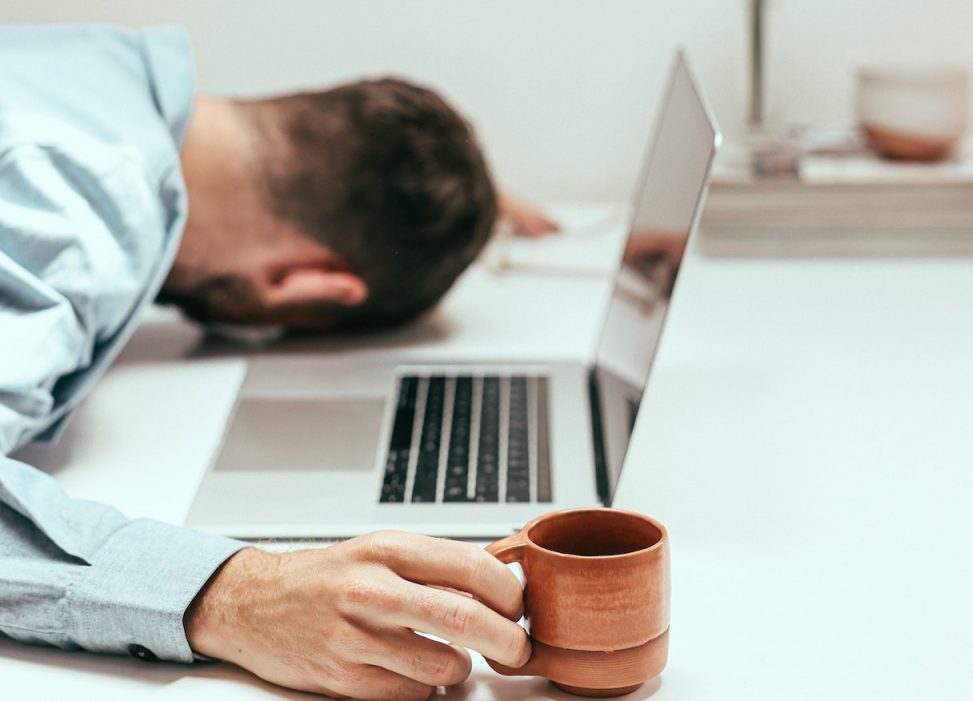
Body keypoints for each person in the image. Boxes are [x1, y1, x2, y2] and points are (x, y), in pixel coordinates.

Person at [0, 25, 557, 700]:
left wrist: (468, 206)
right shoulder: (75, 216)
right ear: (310, 286)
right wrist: (235, 595)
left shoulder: (98, 69)